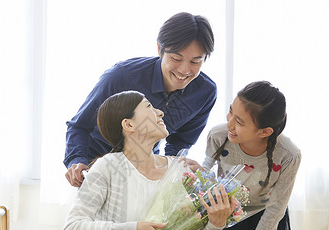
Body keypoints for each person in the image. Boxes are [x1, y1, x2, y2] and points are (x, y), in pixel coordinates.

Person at [63, 91, 244, 230]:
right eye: (148, 107)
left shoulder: (177, 169)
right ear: (128, 125)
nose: (160, 112)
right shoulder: (109, 167)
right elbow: (72, 229)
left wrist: (214, 224)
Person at [64, 12, 217, 187]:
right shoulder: (122, 76)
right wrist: (77, 161)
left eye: (195, 62)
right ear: (160, 49)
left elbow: (180, 142)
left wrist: (170, 169)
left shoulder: (205, 92)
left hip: (143, 173)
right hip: (96, 166)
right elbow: (79, 126)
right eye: (176, 58)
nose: (184, 70)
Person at [197, 81, 301, 230]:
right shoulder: (218, 136)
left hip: (265, 221)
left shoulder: (288, 155)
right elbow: (204, 177)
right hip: (225, 216)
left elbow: (276, 206)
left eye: (240, 121)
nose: (229, 123)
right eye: (230, 112)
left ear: (264, 131)